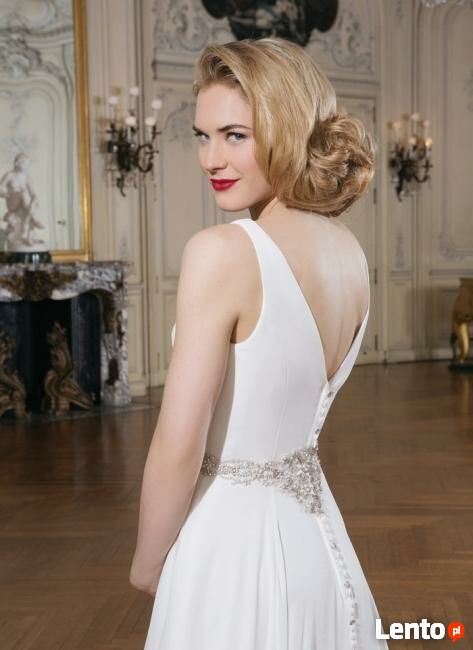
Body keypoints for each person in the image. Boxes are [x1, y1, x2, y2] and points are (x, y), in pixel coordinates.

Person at [130, 37, 389, 649]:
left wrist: (147, 562)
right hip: (320, 543)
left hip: (229, 546)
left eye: (235, 136)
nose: (210, 158)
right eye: (202, 135)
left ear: (287, 130)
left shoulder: (222, 251)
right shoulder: (349, 254)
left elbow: (179, 441)